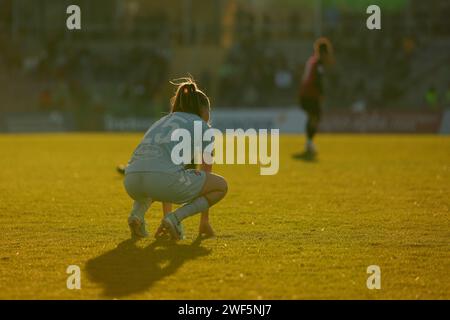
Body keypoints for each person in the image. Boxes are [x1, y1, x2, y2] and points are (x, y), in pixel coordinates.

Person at [123, 78, 228, 240]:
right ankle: (176, 219)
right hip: (161, 179)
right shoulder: (202, 127)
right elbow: (206, 173)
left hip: (131, 180)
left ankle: (137, 214)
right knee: (221, 186)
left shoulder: (162, 121)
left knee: (158, 178)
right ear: (203, 109)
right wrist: (204, 220)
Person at [299, 37, 334, 156]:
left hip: (304, 93)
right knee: (315, 117)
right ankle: (309, 143)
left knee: (313, 117)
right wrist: (321, 93)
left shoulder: (312, 61)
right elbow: (317, 80)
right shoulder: (319, 63)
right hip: (311, 94)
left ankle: (309, 142)